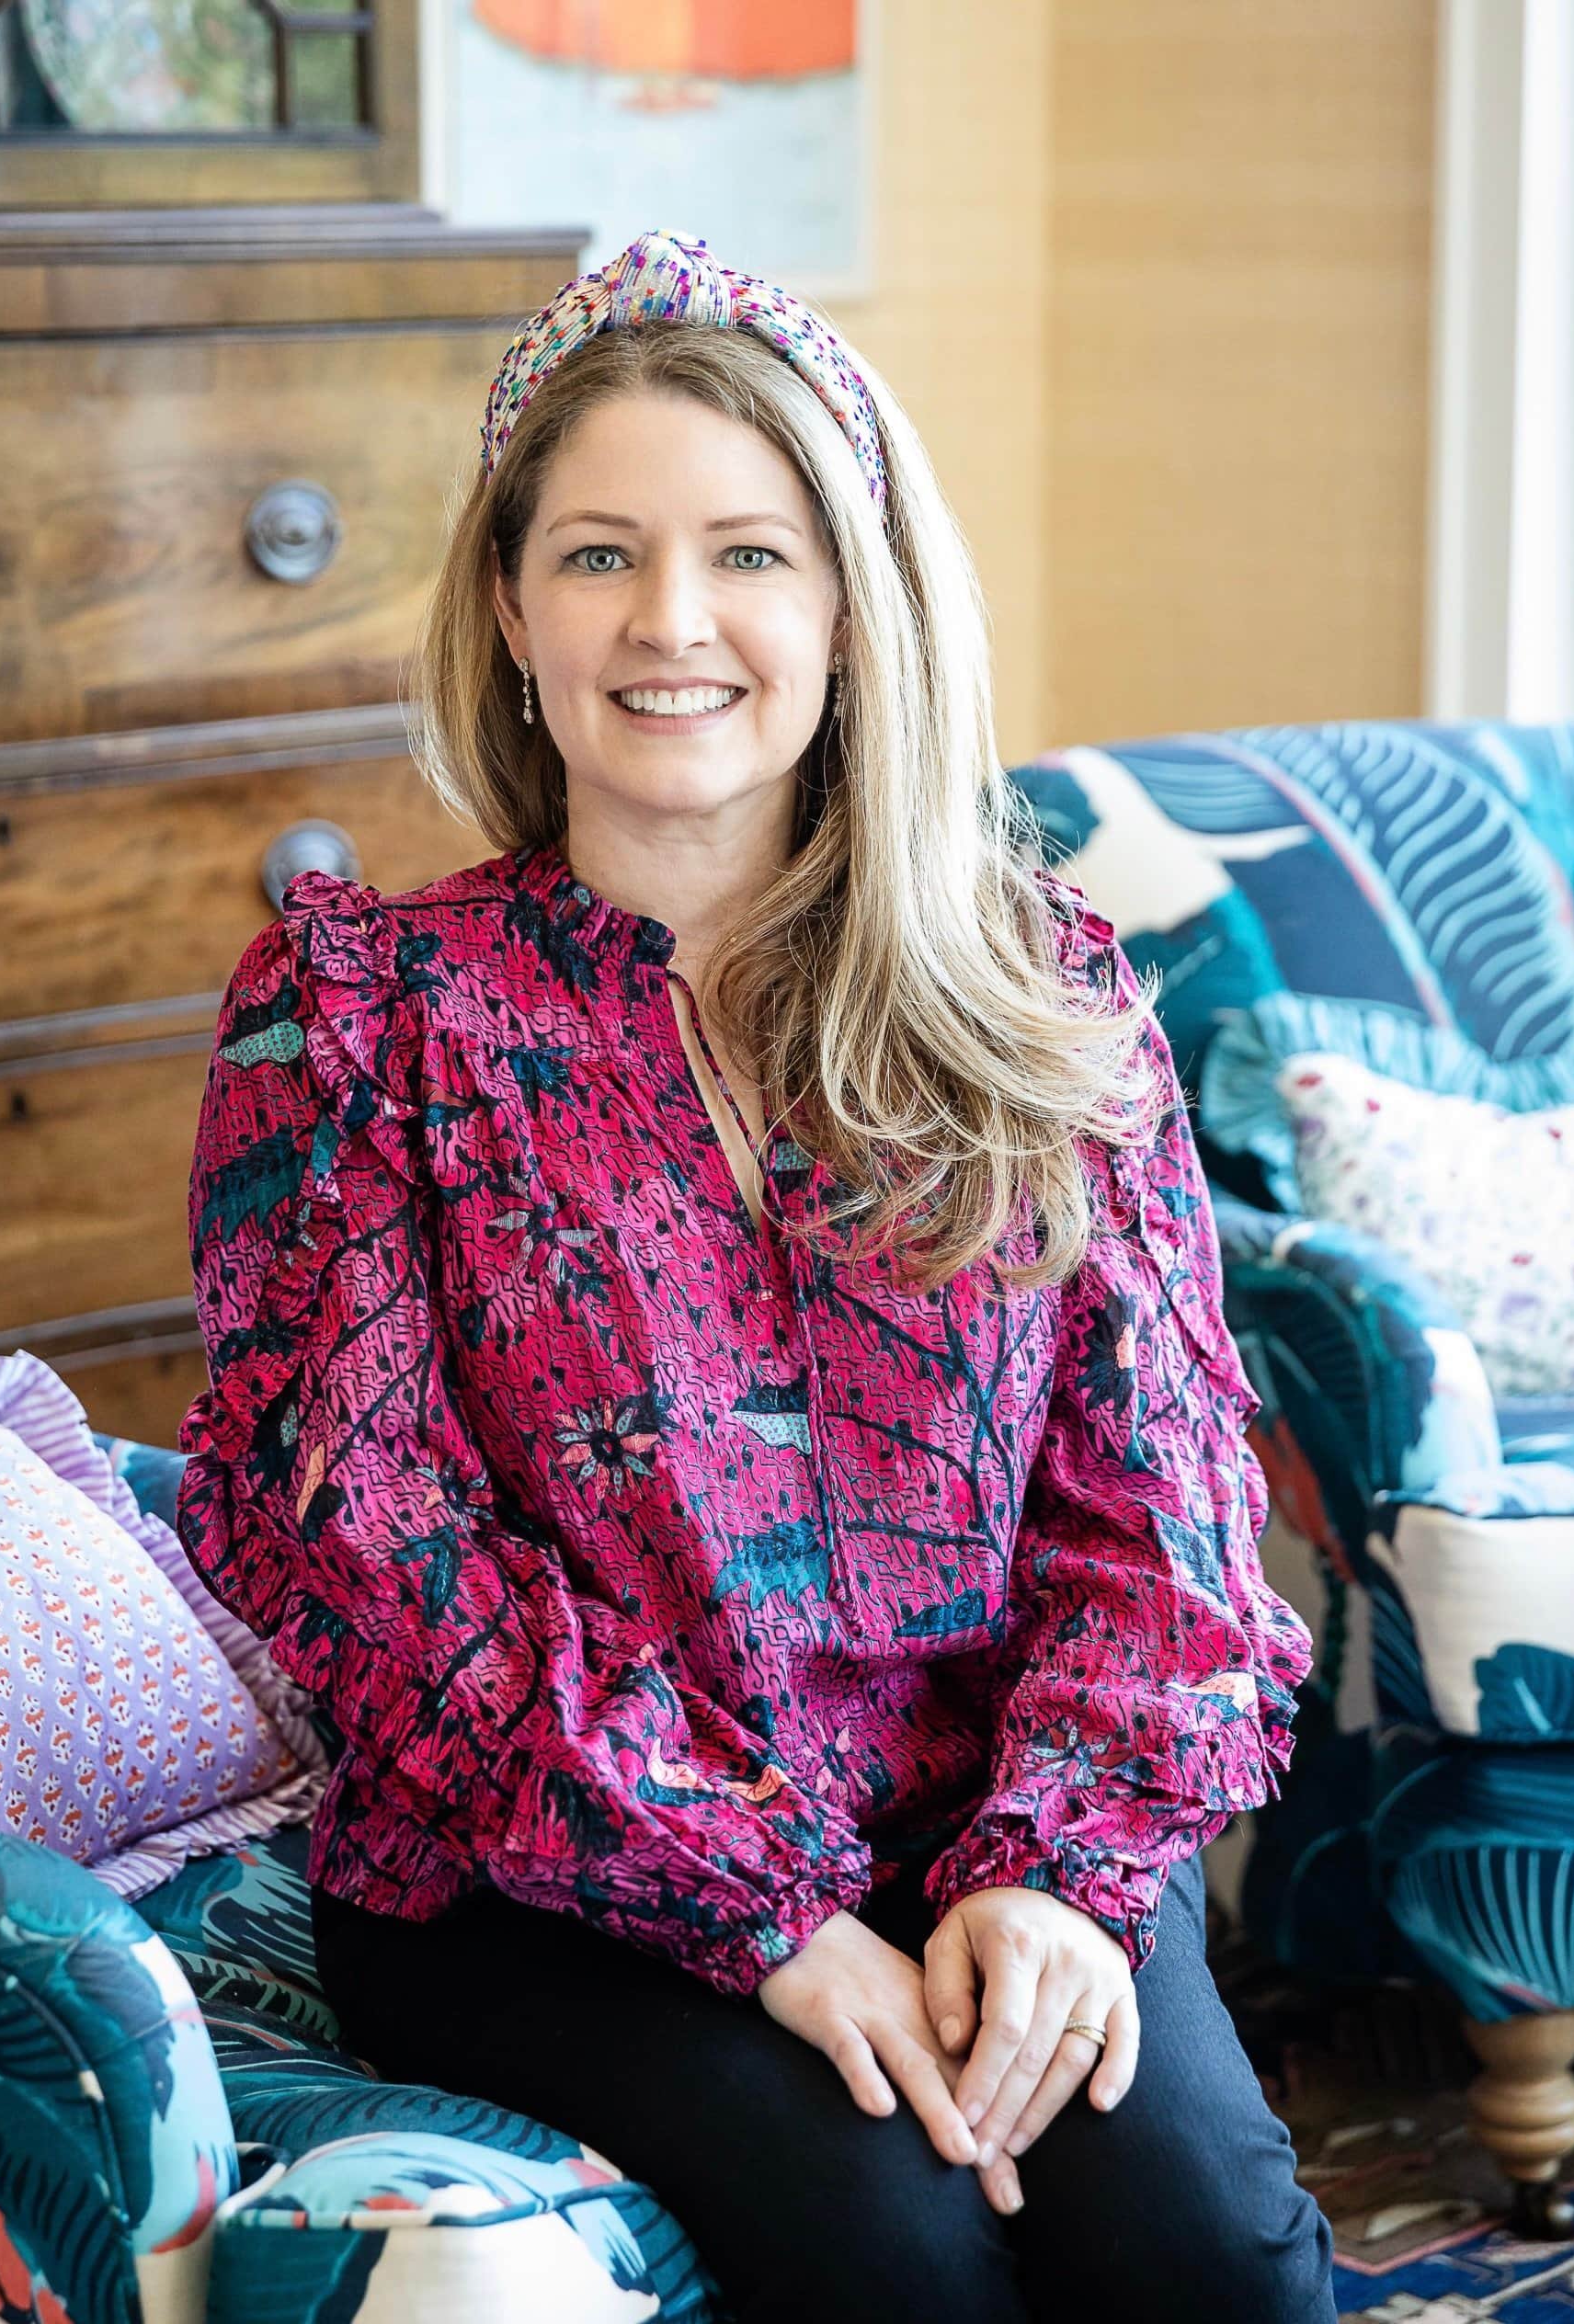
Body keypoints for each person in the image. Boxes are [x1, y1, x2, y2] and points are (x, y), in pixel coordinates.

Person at [177, 228, 1336, 2323]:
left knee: (1209, 2257)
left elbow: (1164, 1505)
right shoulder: (355, 1019)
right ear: (510, 611)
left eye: (748, 554)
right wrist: (767, 1914)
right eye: (599, 556)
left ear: (850, 607)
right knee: (906, 2262)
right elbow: (363, 1551)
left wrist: (1055, 1878)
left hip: (996, 1815)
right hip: (543, 1872)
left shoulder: (1042, 993)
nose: (672, 621)